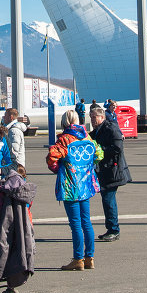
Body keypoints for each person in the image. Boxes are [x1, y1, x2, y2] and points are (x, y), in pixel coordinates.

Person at [47, 109, 103, 271]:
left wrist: (59, 168)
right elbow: (99, 154)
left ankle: (78, 258)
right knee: (86, 221)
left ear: (64, 122)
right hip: (85, 184)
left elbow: (52, 158)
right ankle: (89, 257)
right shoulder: (87, 137)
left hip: (70, 186)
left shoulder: (64, 140)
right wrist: (86, 166)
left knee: (75, 223)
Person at [89, 104, 130, 242]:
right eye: (91, 117)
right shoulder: (98, 130)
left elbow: (117, 147)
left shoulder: (111, 128)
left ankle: (114, 229)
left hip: (113, 170)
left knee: (108, 199)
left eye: (94, 117)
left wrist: (100, 150)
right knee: (107, 199)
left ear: (102, 117)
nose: (92, 120)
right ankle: (111, 228)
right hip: (105, 170)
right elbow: (88, 139)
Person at [3, 107, 26, 173]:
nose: (4, 117)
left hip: (16, 165)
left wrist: (7, 163)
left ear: (11, 117)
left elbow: (14, 150)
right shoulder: (11, 129)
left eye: (5, 115)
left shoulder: (14, 131)